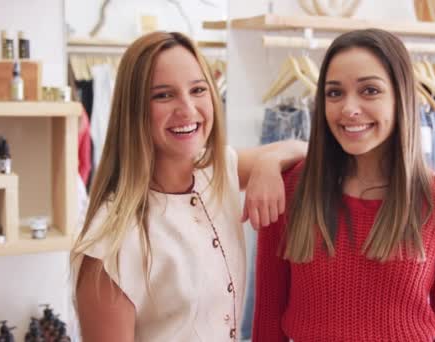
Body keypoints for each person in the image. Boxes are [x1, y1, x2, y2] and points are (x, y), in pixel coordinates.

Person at [71, 31, 306, 341]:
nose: (187, 109)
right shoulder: (110, 248)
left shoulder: (217, 171)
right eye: (163, 95)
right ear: (134, 109)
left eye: (198, 90)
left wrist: (268, 164)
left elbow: (305, 149)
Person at [253, 29, 435, 341]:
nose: (349, 108)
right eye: (334, 93)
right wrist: (269, 161)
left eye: (369, 90)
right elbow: (266, 322)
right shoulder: (290, 192)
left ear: (400, 98)